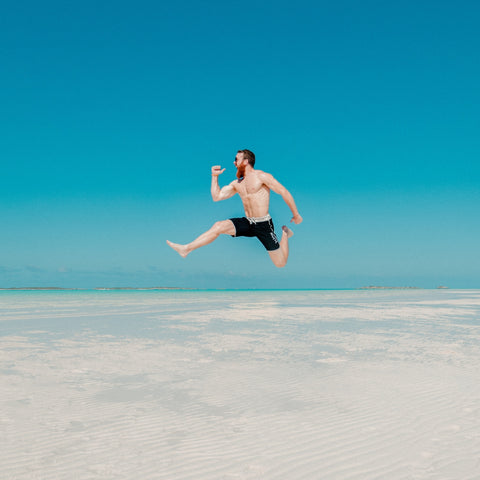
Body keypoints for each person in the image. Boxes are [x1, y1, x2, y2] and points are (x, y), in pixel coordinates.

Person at [166, 149, 303, 267]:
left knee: (280, 263)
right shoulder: (237, 183)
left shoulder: (261, 176)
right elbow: (217, 196)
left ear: (245, 161)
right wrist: (214, 177)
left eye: (236, 159)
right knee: (218, 226)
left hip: (263, 225)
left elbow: (283, 192)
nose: (233, 162)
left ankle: (285, 234)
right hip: (248, 222)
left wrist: (296, 214)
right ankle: (186, 249)